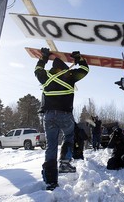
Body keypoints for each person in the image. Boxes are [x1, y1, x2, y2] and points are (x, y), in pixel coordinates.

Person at [35, 48, 89, 191]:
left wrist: (44, 57)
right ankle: (65, 162)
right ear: (63, 68)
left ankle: (51, 181)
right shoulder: (70, 75)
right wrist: (78, 58)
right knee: (69, 135)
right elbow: (84, 69)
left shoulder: (45, 77)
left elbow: (38, 69)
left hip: (49, 116)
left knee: (51, 146)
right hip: (65, 115)